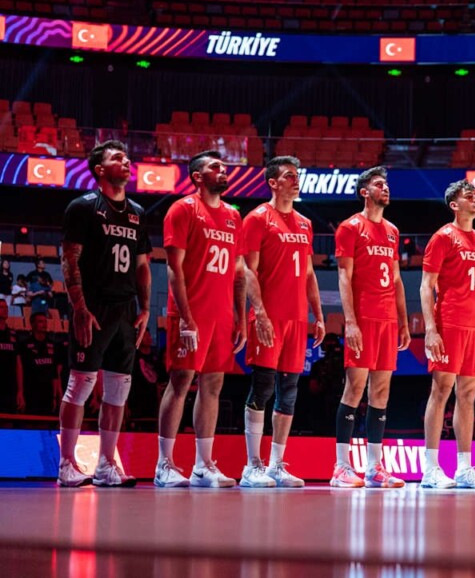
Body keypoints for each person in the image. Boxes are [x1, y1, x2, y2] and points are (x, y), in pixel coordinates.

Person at [57, 140, 152, 487]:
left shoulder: (138, 212)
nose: (126, 161)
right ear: (99, 169)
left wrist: (145, 308)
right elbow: (70, 260)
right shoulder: (82, 207)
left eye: (127, 157)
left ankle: (106, 465)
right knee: (80, 386)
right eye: (117, 158)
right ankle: (66, 464)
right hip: (94, 308)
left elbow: (142, 266)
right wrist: (79, 308)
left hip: (126, 311)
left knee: (118, 393)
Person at [154, 151, 247, 488]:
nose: (223, 171)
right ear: (197, 176)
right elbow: (174, 269)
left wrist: (241, 317)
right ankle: (164, 464)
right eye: (215, 167)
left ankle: (203, 465)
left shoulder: (233, 216)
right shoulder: (182, 209)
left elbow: (239, 271)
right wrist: (185, 317)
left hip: (221, 316)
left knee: (213, 386)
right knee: (180, 382)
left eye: (224, 167)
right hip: (190, 313)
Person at [240, 156, 325, 488]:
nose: (296, 180)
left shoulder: (304, 223)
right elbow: (248, 270)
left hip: (297, 318)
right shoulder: (257, 218)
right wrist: (259, 311)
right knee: (262, 387)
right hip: (268, 317)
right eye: (289, 175)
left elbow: (309, 273)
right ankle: (252, 466)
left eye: (297, 175)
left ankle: (276, 465)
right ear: (273, 183)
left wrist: (318, 315)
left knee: (288, 391)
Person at [331, 167, 411, 489]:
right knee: (354, 388)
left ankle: (375, 468)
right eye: (379, 184)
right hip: (363, 319)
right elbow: (344, 277)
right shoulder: (350, 227)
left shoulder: (392, 231)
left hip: (387, 320)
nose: (385, 188)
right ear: (365, 192)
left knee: (381, 391)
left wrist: (403, 321)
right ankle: (341, 467)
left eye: (386, 184)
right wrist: (350, 321)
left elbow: (396, 279)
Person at [419, 180, 475, 489]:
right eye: (469, 196)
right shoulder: (443, 237)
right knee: (441, 391)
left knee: (467, 396)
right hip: (450, 323)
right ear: (454, 205)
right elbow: (426, 286)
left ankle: (464, 468)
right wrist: (430, 329)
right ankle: (431, 469)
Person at [16, 312, 63, 415]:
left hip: (48, 395)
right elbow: (20, 369)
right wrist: (20, 392)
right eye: (40, 322)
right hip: (30, 393)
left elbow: (55, 373)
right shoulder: (24, 345)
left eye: (45, 321)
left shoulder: (53, 345)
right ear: (32, 324)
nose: (44, 324)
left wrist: (57, 395)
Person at [0, 300, 18, 413]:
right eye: (1, 307)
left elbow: (18, 363)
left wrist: (20, 391)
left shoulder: (13, 334)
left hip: (10, 387)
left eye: (6, 307)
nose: (5, 309)